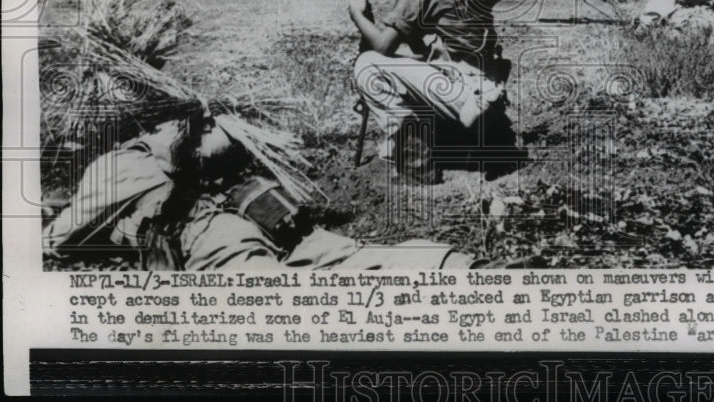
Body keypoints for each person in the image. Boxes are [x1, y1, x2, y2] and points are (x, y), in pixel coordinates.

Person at [44, 114, 474, 270]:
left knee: (273, 299)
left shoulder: (120, 164)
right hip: (275, 219)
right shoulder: (205, 138)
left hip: (213, 238)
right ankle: (458, 267)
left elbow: (61, 241)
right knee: (358, 257)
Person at [349, 0, 513, 180]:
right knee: (409, 56)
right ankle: (459, 137)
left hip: (463, 90)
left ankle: (417, 162)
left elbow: (382, 47)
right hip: (485, 84)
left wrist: (357, 14)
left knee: (368, 66)